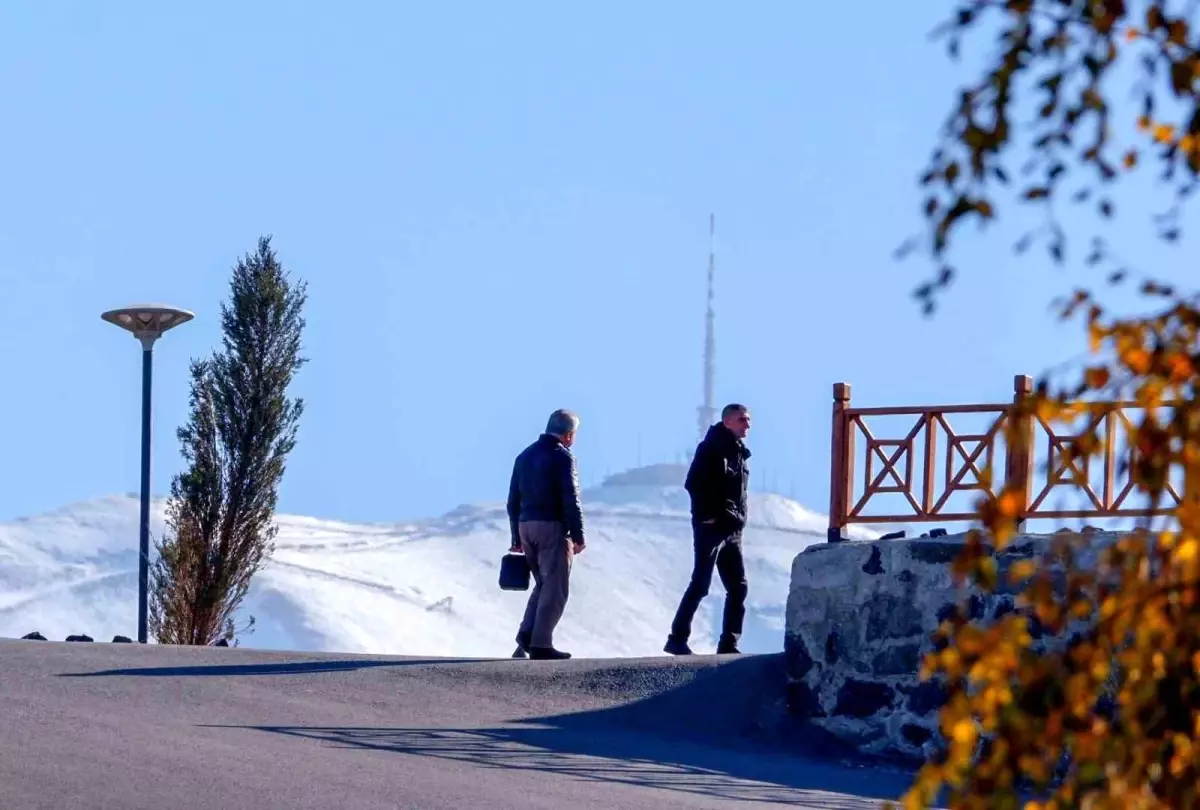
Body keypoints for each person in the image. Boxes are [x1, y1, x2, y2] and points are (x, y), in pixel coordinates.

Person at [664, 403, 751, 656]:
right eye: (742, 420)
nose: (747, 425)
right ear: (727, 422)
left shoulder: (738, 451)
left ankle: (729, 645)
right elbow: (693, 484)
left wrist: (738, 519)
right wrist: (710, 516)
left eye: (748, 420)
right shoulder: (711, 449)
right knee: (700, 584)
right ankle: (677, 638)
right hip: (711, 528)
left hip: (732, 530)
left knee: (738, 587)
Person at [506, 409, 587, 661]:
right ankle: (541, 645)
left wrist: (515, 537)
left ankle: (527, 635)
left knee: (542, 584)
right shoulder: (563, 457)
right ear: (569, 435)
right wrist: (578, 534)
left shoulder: (524, 456)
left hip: (526, 526)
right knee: (556, 588)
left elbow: (512, 501)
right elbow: (570, 497)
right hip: (552, 526)